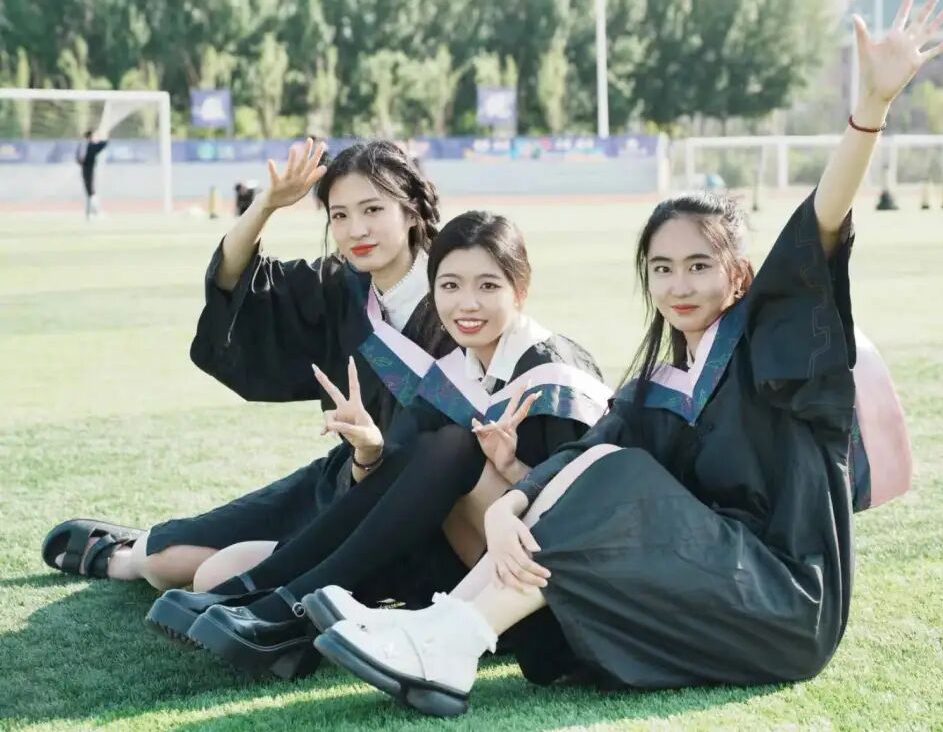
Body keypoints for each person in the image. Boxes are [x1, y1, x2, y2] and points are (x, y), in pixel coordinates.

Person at [306, 0, 943, 718]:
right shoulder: (654, 387)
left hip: (784, 604)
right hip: (706, 587)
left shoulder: (774, 345)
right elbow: (585, 457)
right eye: (662, 268)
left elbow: (823, 222)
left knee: (617, 472)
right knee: (603, 462)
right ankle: (444, 631)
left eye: (700, 266)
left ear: (740, 274)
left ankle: (450, 637)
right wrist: (509, 504)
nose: (679, 285)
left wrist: (871, 107)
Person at [151, 211, 610, 680]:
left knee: (455, 447)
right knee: (423, 457)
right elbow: (388, 487)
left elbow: (588, 520)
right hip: (467, 571)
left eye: (488, 286)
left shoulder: (556, 372)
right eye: (450, 286)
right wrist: (370, 450)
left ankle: (283, 608)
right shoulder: (461, 370)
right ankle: (270, 595)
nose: (467, 304)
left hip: (553, 603)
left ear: (521, 289)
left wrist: (513, 472)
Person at [42, 138, 455, 592]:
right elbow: (237, 280)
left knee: (214, 577)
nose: (356, 230)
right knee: (163, 563)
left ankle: (144, 557)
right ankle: (129, 555)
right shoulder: (341, 287)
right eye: (339, 215)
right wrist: (267, 205)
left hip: (423, 510)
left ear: (410, 211)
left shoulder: (458, 292)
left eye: (372, 210)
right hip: (350, 479)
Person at [77, 129, 108, 220]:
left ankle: (90, 213)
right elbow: (103, 144)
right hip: (88, 170)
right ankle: (95, 213)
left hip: (85, 170)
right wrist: (103, 137)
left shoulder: (83, 145)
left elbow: (78, 159)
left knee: (89, 192)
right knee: (91, 192)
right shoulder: (90, 146)